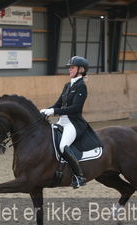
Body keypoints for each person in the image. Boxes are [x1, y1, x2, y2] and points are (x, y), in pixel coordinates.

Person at [40, 56, 102, 189]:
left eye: (72, 67)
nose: (70, 69)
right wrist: (46, 110)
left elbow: (75, 108)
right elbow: (58, 104)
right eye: (70, 67)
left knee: (63, 146)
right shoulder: (68, 86)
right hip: (61, 121)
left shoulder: (81, 87)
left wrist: (54, 111)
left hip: (73, 124)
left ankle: (79, 176)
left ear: (81, 69)